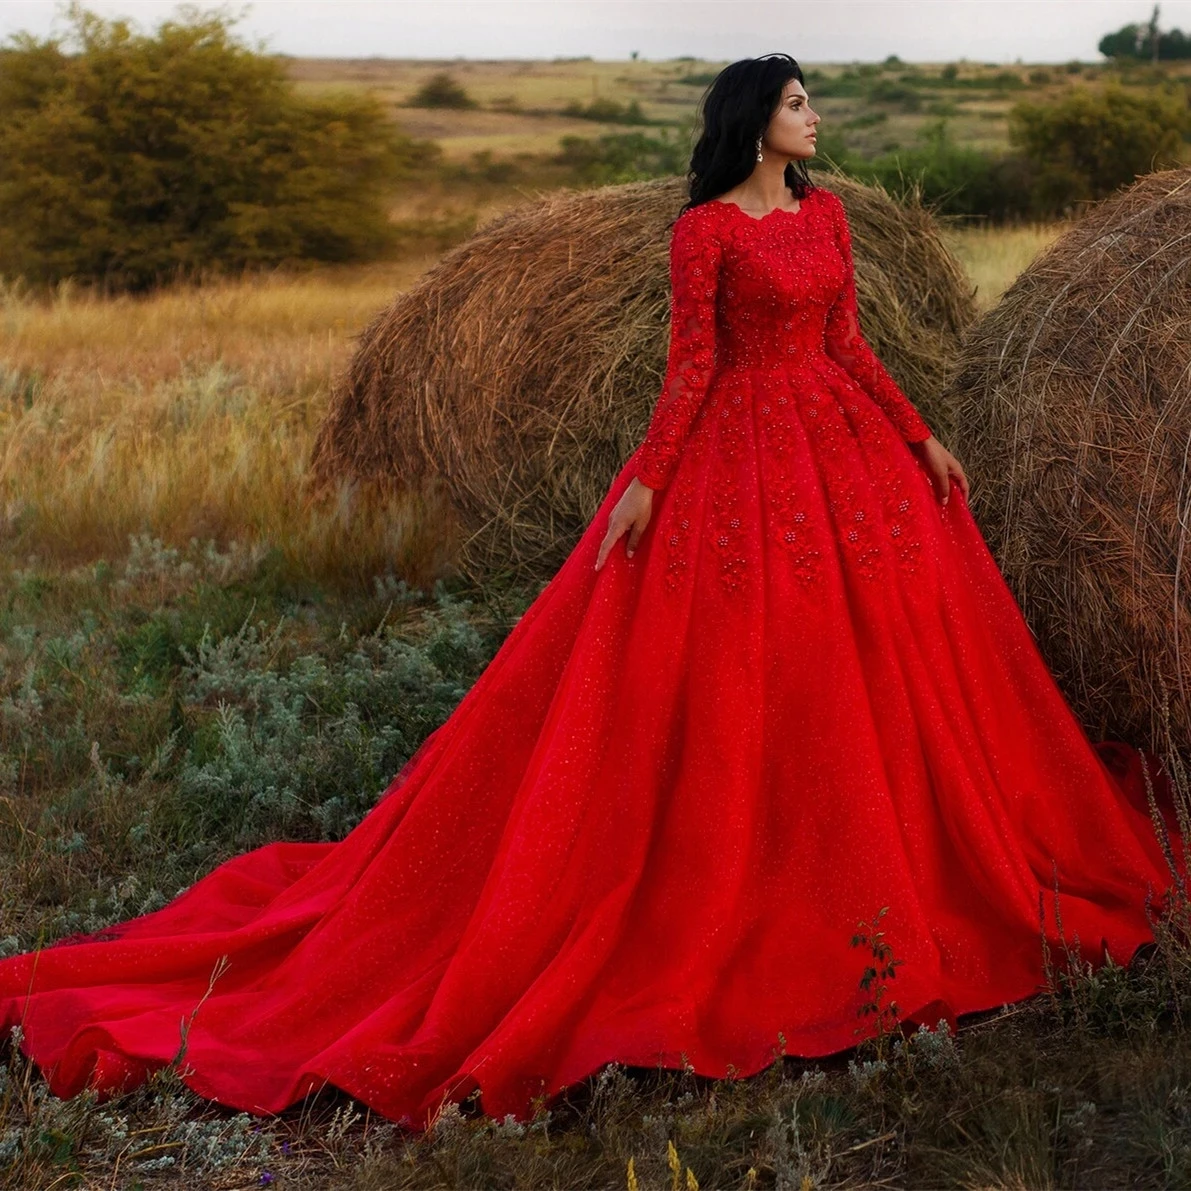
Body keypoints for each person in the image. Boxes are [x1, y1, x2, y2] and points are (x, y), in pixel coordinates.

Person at [0, 53, 1183, 1135]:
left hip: (845, 452)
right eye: (797, 103)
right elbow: (689, 373)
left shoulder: (827, 219)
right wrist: (650, 485)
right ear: (753, 124)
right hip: (737, 456)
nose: (815, 118)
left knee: (872, 655)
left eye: (812, 101)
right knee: (737, 664)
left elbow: (852, 347)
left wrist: (921, 436)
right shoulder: (703, 234)